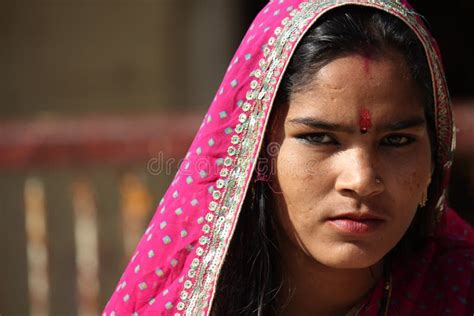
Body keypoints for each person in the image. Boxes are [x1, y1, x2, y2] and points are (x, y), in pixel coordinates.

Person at [103, 1, 474, 315]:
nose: (361, 179)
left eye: (396, 140)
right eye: (319, 138)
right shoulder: (192, 301)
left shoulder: (459, 289)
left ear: (434, 156)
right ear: (255, 150)